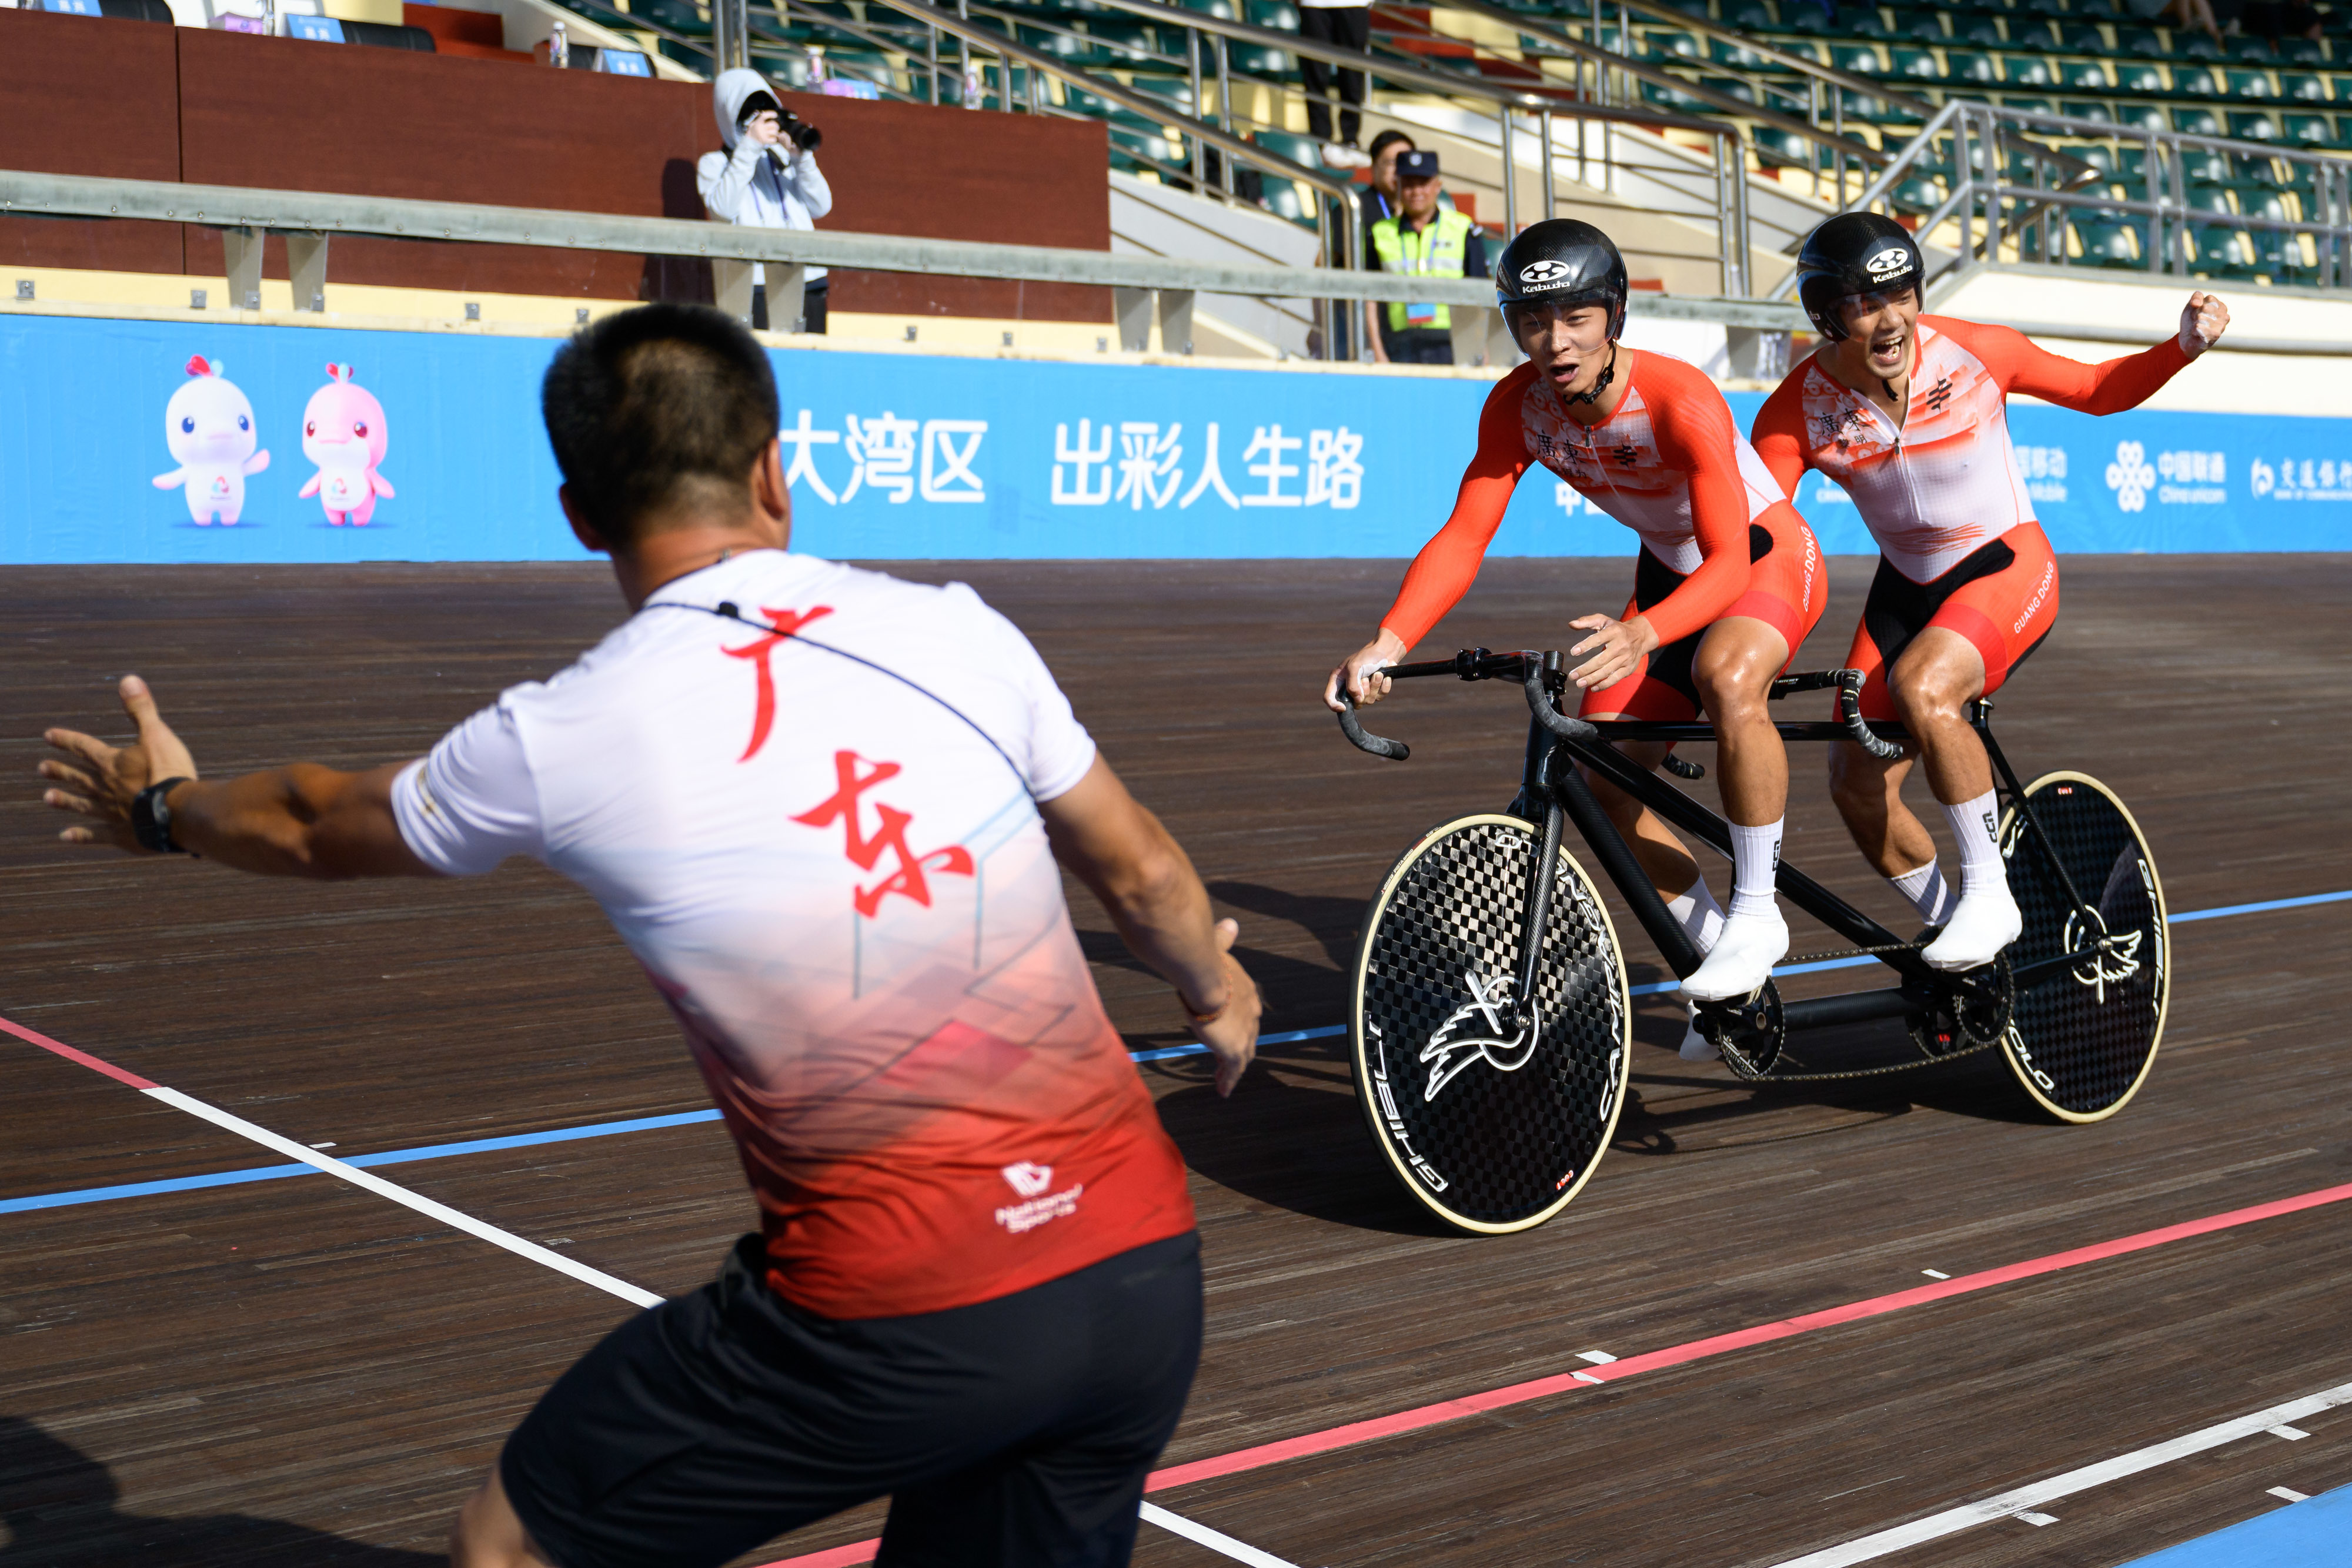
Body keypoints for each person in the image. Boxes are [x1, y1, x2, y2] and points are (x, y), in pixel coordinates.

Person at [35, 303, 1262, 1568]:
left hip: (896, 1314)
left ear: (579, 515)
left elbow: (308, 820)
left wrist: (161, 809)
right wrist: (1216, 992)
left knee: (512, 1545)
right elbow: (1145, 871)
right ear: (775, 470)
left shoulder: (563, 731)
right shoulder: (958, 628)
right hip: (1137, 1273)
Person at [1325, 220, 1827, 1050]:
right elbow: (1463, 535)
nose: (1552, 342)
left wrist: (1645, 634)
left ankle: (1756, 911)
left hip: (1761, 556)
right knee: (1599, 786)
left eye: (1575, 319)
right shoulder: (1517, 406)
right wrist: (1389, 639)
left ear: (1614, 314)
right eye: (1531, 320)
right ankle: (1727, 968)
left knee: (1729, 677)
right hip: (1669, 574)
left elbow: (1731, 560)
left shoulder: (1678, 395)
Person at [1750, 212, 2229, 973]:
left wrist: (2182, 347)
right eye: (1864, 304)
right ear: (1824, 315)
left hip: (2005, 563)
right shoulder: (1797, 408)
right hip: (1906, 590)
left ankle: (1990, 892)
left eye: (1901, 292)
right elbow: (1759, 533)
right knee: (1853, 784)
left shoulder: (1978, 349)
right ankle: (1966, 941)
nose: (1890, 318)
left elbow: (2099, 390)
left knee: (1924, 687)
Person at [699, 68, 834, 333]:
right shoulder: (714, 164)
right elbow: (724, 209)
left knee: (807, 365)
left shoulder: (783, 158)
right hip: (753, 284)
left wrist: (802, 159)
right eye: (754, 114)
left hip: (808, 277)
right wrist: (749, 147)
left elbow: (821, 207)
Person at [1365, 151, 1489, 367]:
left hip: (1451, 341)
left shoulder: (1462, 229)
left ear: (1438, 186)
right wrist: (1377, 351)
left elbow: (1480, 295)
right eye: (1409, 184)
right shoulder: (1379, 233)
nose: (1417, 192)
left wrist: (1481, 348)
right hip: (1398, 342)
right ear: (1398, 186)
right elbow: (1369, 298)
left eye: (1423, 183)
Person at [1296, 0, 1372, 169]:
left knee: (1353, 76)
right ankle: (1322, 142)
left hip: (1354, 5)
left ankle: (1351, 140)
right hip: (1314, 5)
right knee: (1316, 75)